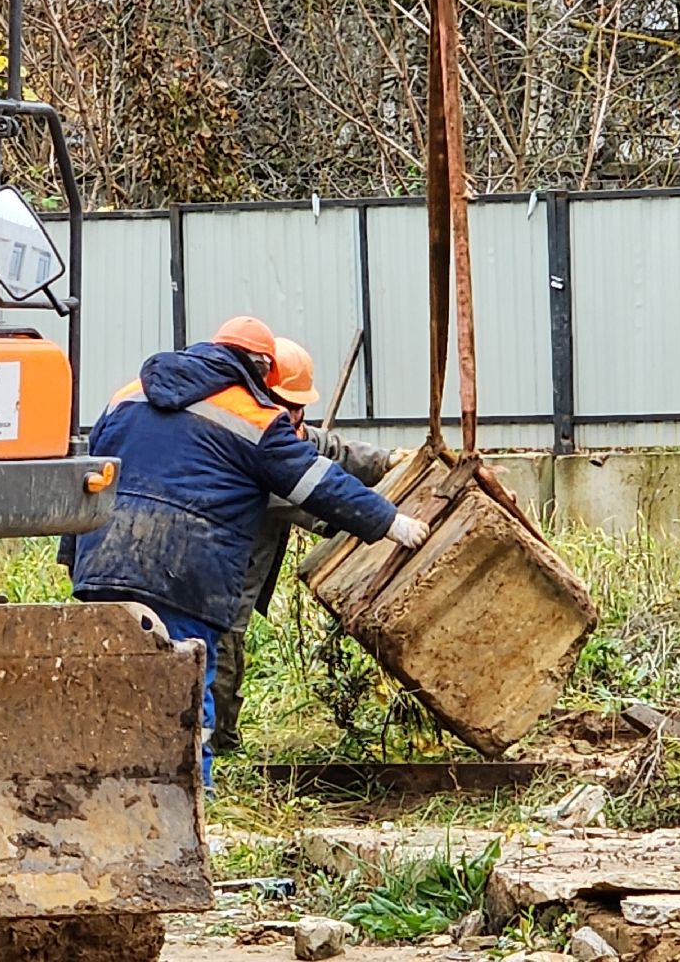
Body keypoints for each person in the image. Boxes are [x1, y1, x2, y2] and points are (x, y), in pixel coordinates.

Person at [58, 317, 431, 787]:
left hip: (104, 561)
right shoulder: (252, 417)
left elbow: (92, 474)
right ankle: (191, 803)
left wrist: (75, 554)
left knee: (112, 685)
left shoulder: (128, 392)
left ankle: (107, 792)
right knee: (187, 693)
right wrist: (390, 521)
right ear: (260, 369)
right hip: (183, 573)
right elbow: (315, 480)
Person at [211, 338, 407, 753]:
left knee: (227, 648)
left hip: (236, 576)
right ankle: (218, 746)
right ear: (259, 394)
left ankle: (219, 741)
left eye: (301, 407)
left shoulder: (286, 429)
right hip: (219, 576)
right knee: (220, 655)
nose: (295, 415)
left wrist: (389, 462)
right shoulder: (250, 443)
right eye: (286, 404)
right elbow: (315, 503)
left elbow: (329, 449)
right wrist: (384, 521)